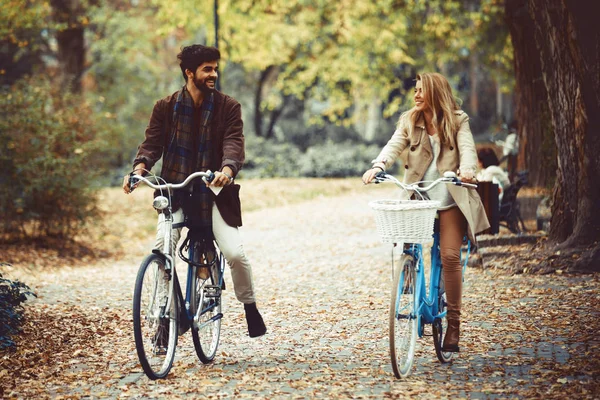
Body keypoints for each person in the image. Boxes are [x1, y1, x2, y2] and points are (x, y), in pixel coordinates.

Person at [122, 44, 266, 338]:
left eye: (215, 68)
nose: (214, 74)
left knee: (235, 254)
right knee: (163, 248)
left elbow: (234, 142)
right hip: (175, 190)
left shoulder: (228, 107)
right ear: (190, 73)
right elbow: (151, 144)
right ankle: (166, 316)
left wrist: (227, 170)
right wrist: (138, 170)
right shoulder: (165, 107)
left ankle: (250, 306)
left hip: (213, 192)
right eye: (207, 69)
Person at [362, 72, 489, 352]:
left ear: (435, 92)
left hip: (450, 197)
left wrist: (467, 169)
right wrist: (378, 165)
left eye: (422, 90)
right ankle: (409, 271)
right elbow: (394, 145)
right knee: (406, 236)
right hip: (419, 196)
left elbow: (467, 147)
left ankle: (453, 326)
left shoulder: (458, 119)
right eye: (415, 90)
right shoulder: (411, 120)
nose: (416, 95)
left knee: (450, 256)